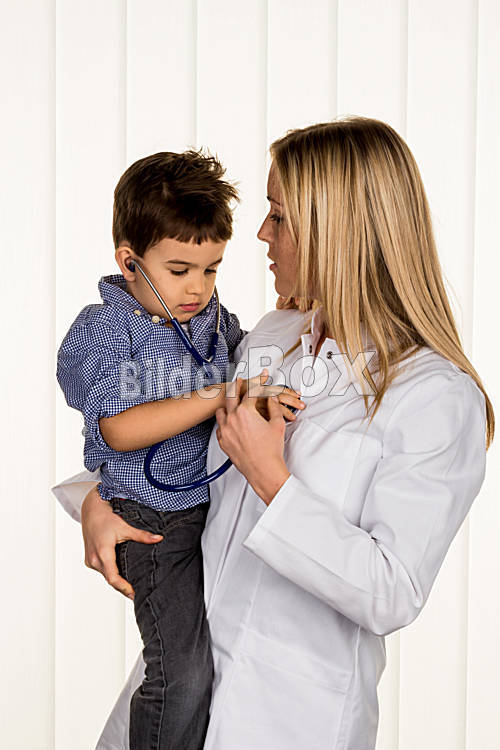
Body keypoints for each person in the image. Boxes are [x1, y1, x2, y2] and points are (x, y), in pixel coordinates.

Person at [53, 117, 494, 750]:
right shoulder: (270, 336)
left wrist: (270, 478)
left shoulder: (434, 396)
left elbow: (393, 592)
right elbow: (169, 430)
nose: (261, 233)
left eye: (279, 216)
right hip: (172, 702)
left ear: (338, 231)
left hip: (286, 720)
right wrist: (98, 501)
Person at [54, 149, 303, 750]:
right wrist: (223, 393)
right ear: (129, 261)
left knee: (203, 671)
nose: (196, 288)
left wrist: (276, 361)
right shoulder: (105, 330)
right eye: (179, 269)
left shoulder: (209, 319)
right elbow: (119, 429)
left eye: (211, 269)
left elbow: (245, 367)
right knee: (182, 678)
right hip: (151, 524)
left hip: (203, 514)